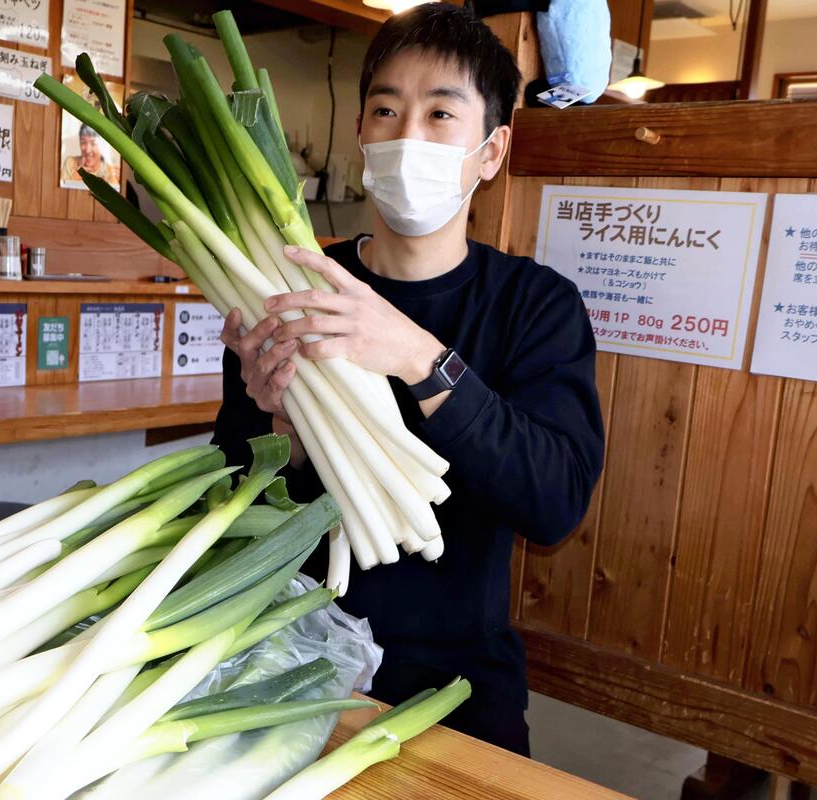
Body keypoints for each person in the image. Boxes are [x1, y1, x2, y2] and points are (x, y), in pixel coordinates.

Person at [211, 3, 604, 757]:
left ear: (491, 152)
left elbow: (554, 504)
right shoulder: (290, 285)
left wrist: (423, 359)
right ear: (361, 132)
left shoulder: (536, 304)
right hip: (288, 650)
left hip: (455, 676)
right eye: (386, 110)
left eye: (440, 114)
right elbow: (232, 498)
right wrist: (282, 429)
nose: (407, 135)